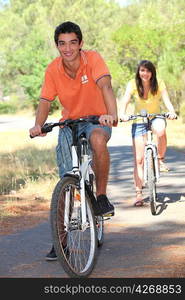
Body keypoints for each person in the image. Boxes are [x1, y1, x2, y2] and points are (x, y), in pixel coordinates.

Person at [29, 21, 118, 260]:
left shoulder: (93, 59)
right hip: (70, 123)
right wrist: (39, 125)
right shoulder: (52, 69)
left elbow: (106, 86)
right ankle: (61, 242)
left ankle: (100, 198)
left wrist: (112, 114)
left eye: (72, 43)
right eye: (62, 43)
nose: (67, 48)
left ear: (80, 44)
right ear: (57, 45)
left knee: (98, 139)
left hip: (98, 119)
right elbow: (45, 101)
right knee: (65, 183)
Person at [120, 60, 177, 207]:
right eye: (142, 71)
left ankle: (160, 159)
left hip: (156, 118)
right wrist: (122, 114)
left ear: (152, 73)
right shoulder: (132, 84)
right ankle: (139, 194)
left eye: (148, 71)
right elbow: (125, 99)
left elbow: (167, 100)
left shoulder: (159, 84)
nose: (145, 74)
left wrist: (171, 111)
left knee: (161, 130)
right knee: (139, 160)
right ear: (138, 72)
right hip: (138, 120)